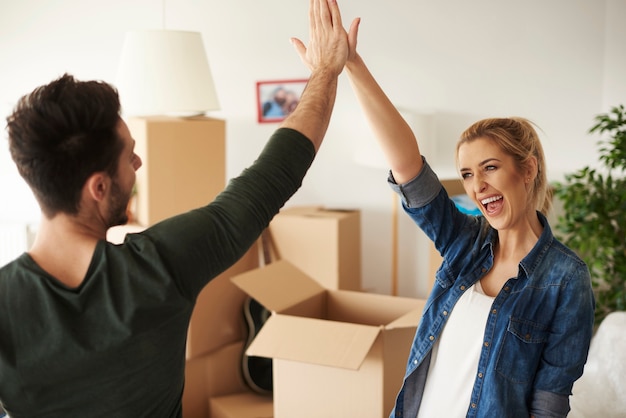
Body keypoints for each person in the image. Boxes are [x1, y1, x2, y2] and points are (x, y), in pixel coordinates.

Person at [0, 0, 349, 416]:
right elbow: (273, 175)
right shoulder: (161, 267)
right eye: (129, 157)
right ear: (98, 186)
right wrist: (326, 71)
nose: (138, 165)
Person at [342, 12, 595, 418]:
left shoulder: (566, 280)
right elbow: (409, 168)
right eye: (466, 174)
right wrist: (353, 65)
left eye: (490, 168)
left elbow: (549, 402)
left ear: (526, 170)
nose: (477, 186)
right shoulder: (465, 242)